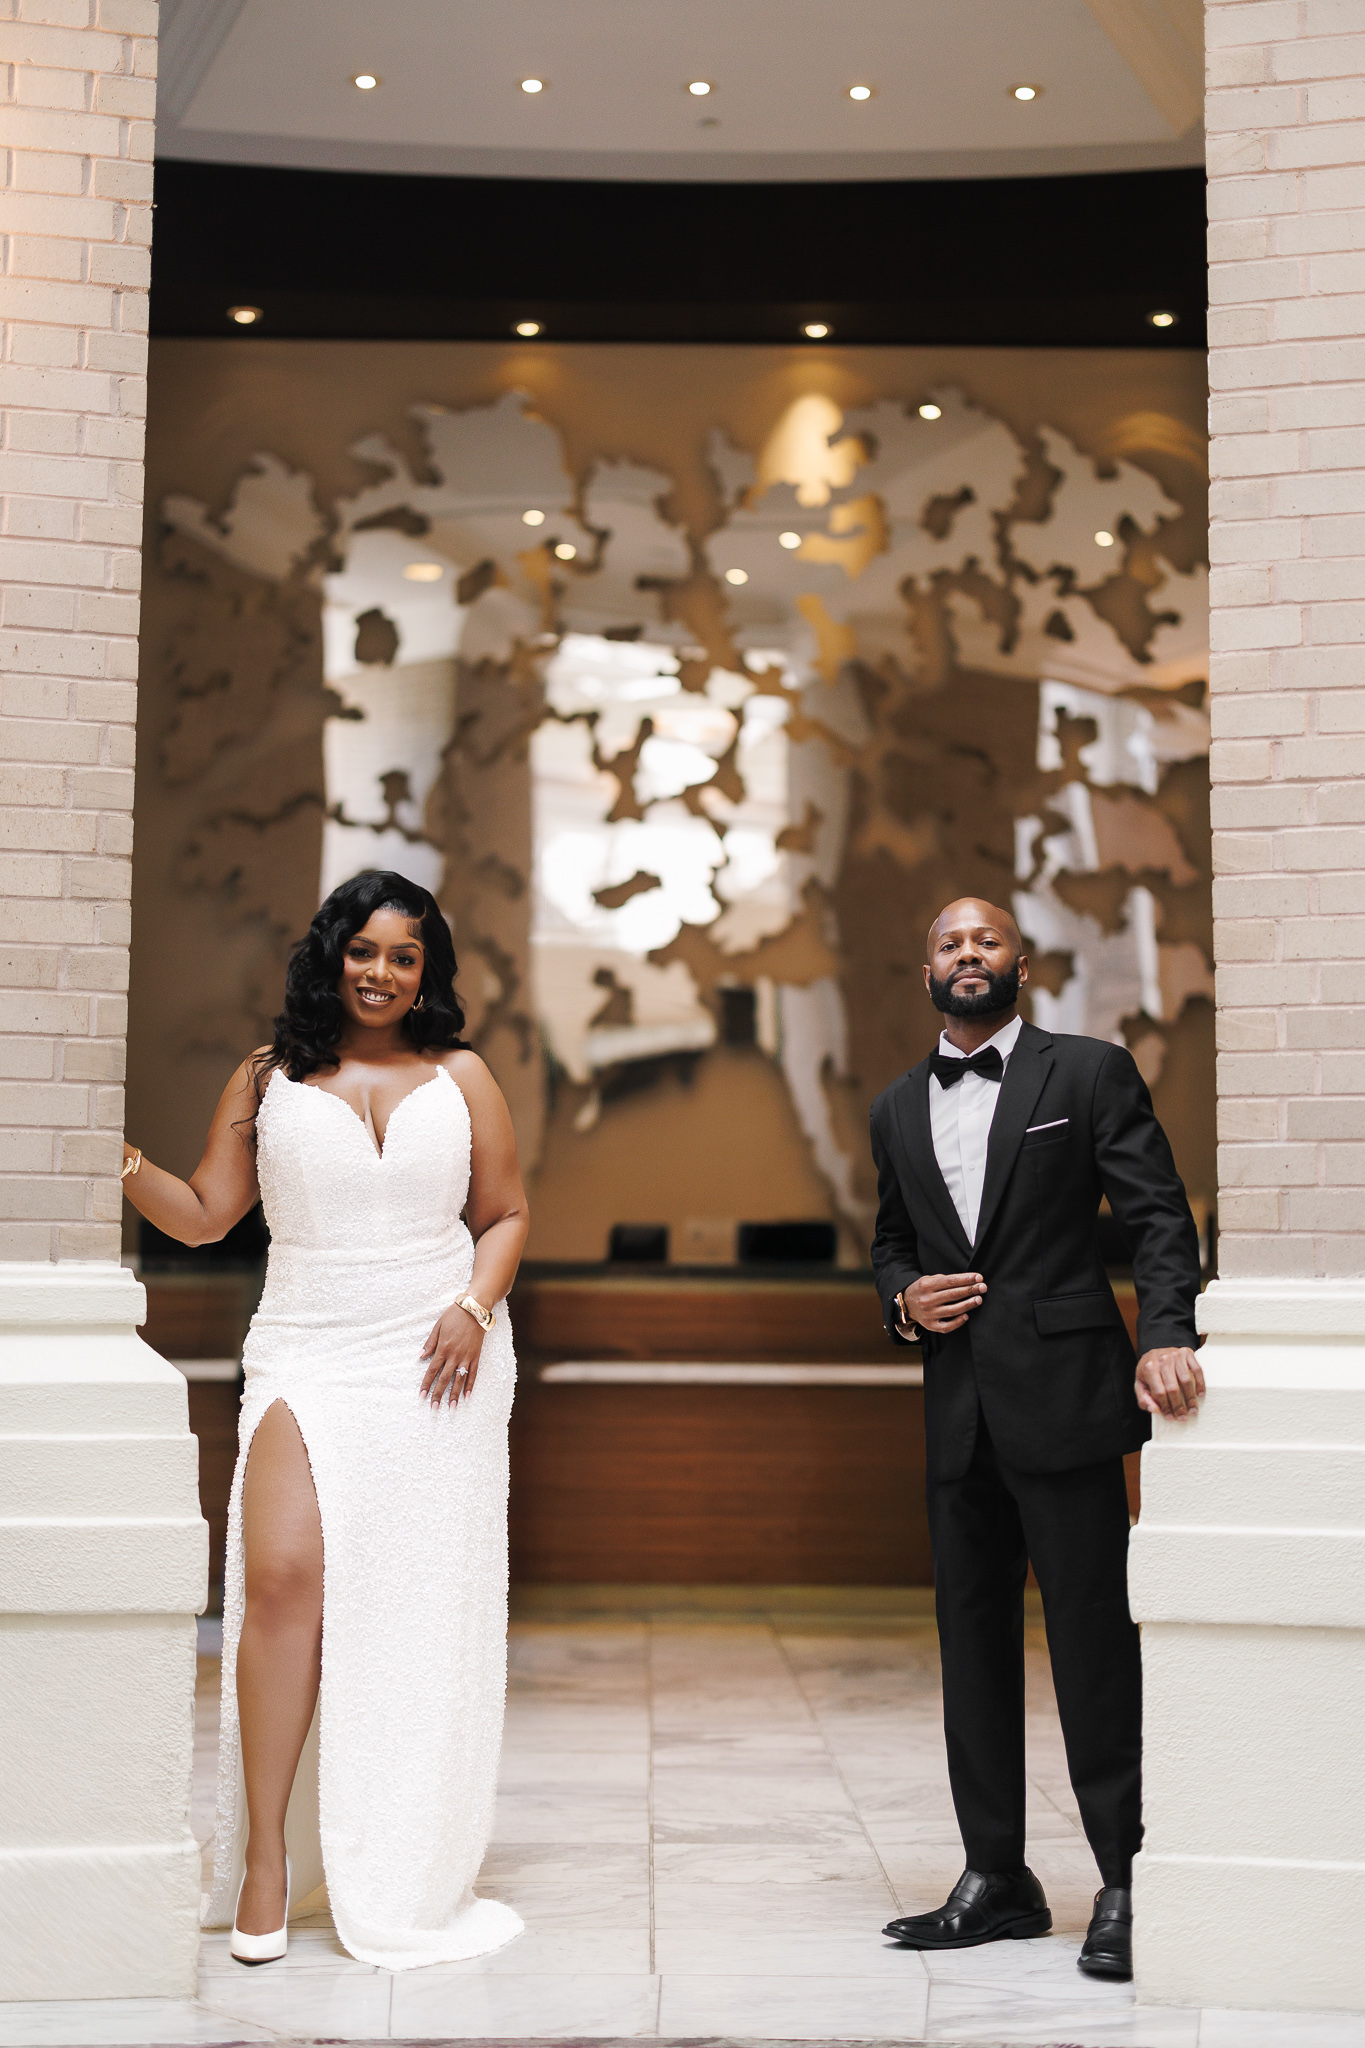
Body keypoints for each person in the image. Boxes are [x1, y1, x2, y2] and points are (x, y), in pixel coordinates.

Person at [120, 871, 530, 1971]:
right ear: (330, 954)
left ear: (427, 968)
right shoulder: (268, 1074)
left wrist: (472, 1307)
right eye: (364, 950)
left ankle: (396, 1843)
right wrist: (116, 1165)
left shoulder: (465, 1074)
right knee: (286, 1572)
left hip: (437, 1358)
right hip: (307, 1342)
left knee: (405, 1609)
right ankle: (264, 1855)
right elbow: (208, 1215)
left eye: (405, 954)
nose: (382, 972)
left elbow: (505, 1212)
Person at [868, 897, 1203, 1982]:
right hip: (956, 1415)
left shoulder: (1089, 1073)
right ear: (927, 969)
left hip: (1066, 1399)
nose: (970, 954)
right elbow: (884, 1248)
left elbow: (1158, 1217)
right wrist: (905, 1298)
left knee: (1095, 1649)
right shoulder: (893, 1107)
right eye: (950, 941)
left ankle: (1128, 1876)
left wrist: (1166, 1334)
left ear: (1023, 961)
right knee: (970, 1653)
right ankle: (996, 1875)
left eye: (989, 940)